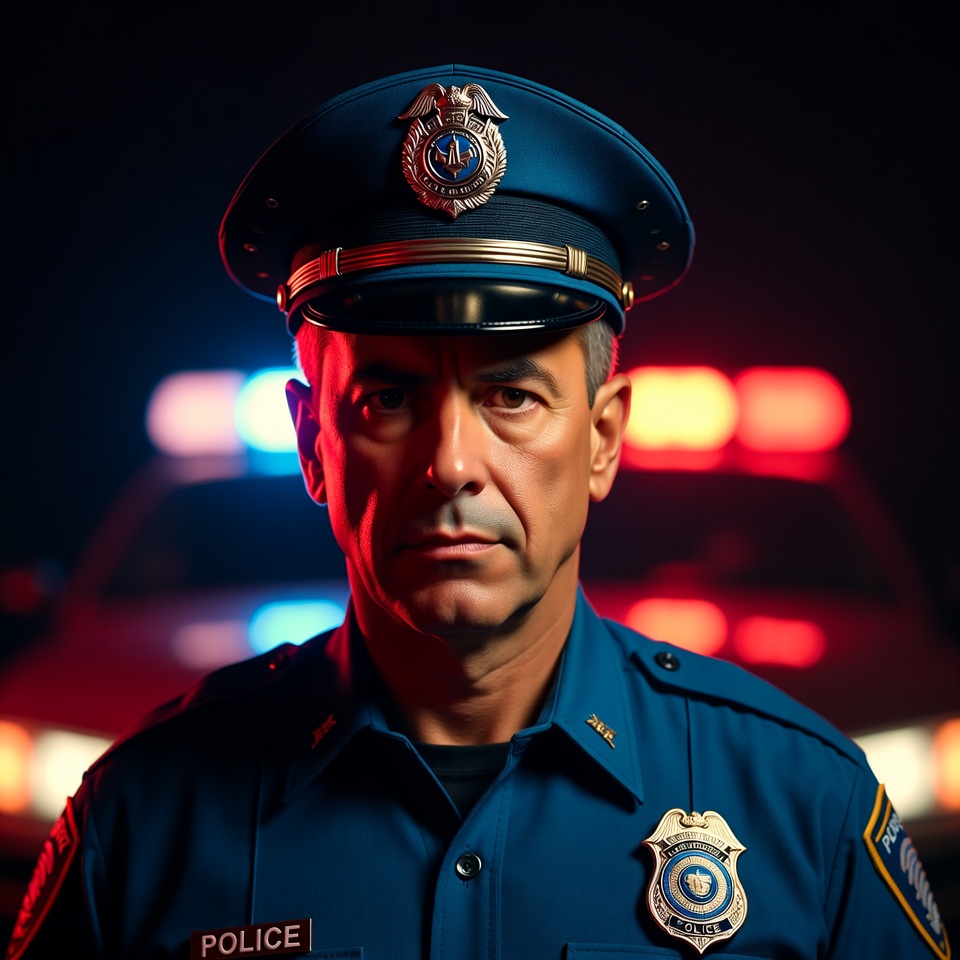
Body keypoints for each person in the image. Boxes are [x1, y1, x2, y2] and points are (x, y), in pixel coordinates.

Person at [6, 65, 949, 960]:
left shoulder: (802, 805)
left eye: (513, 396)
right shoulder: (139, 823)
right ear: (310, 443)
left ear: (605, 438)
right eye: (388, 399)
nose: (452, 464)